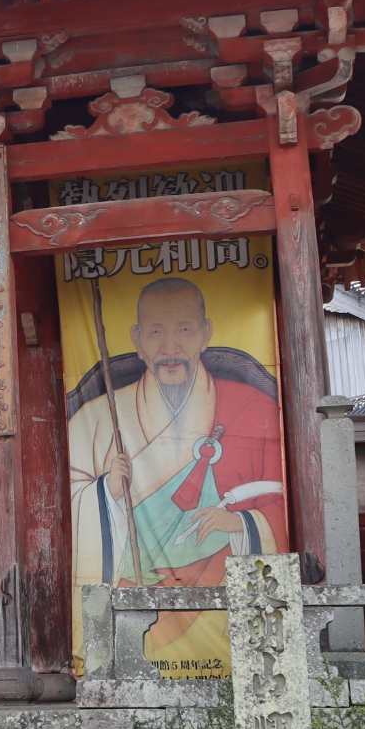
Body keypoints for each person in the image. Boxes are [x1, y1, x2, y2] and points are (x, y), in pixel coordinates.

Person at [65, 276, 288, 672]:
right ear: (136, 338)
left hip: (220, 589)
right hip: (135, 590)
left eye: (185, 330)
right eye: (155, 332)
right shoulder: (99, 418)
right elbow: (66, 504)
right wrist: (105, 493)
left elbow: (279, 499)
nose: (171, 348)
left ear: (206, 333)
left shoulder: (251, 409)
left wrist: (239, 524)